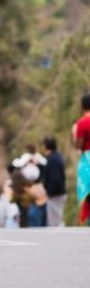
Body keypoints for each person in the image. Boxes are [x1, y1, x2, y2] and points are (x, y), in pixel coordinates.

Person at [72, 92, 90, 225]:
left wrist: (74, 135)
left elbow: (78, 145)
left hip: (88, 159)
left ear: (82, 106)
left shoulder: (82, 123)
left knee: (88, 192)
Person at [41, 136, 66, 226]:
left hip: (55, 195)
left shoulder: (53, 160)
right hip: (57, 194)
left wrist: (49, 192)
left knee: (54, 223)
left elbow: (55, 179)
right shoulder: (56, 157)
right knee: (56, 219)